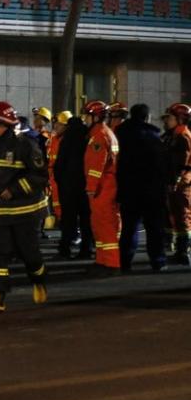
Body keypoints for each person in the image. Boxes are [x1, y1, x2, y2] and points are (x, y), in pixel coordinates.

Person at [0, 102, 48, 313]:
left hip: (24, 211)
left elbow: (39, 176)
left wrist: (14, 189)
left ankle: (38, 280)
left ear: (8, 124)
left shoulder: (26, 145)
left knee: (29, 254)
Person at [115, 104, 168, 272]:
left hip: (128, 189)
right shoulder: (154, 137)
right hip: (151, 190)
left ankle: (125, 261)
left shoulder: (120, 135)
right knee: (154, 228)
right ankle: (158, 261)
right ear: (147, 117)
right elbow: (162, 166)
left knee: (129, 228)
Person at [83, 100, 122, 273]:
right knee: (98, 223)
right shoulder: (105, 133)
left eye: (87, 115)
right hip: (106, 184)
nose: (85, 119)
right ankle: (102, 260)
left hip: (103, 186)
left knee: (105, 224)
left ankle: (112, 263)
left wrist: (91, 188)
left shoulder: (99, 135)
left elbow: (96, 165)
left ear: (96, 117)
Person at [54, 113, 93, 259]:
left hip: (69, 187)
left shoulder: (67, 139)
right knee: (85, 219)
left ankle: (65, 249)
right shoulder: (87, 137)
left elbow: (60, 163)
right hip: (85, 185)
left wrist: (61, 181)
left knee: (68, 219)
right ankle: (86, 249)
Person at [162, 103, 191, 266]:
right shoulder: (174, 135)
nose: (168, 121)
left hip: (181, 183)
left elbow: (182, 162)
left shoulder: (183, 136)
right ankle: (179, 250)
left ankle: (183, 252)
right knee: (176, 215)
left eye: (171, 118)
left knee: (183, 216)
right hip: (176, 181)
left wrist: (175, 180)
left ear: (180, 119)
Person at [46, 111, 72, 237]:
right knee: (56, 204)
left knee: (64, 206)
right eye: (56, 123)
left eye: (59, 124)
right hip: (53, 175)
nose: (56, 126)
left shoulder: (67, 140)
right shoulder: (55, 138)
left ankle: (71, 232)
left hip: (62, 177)